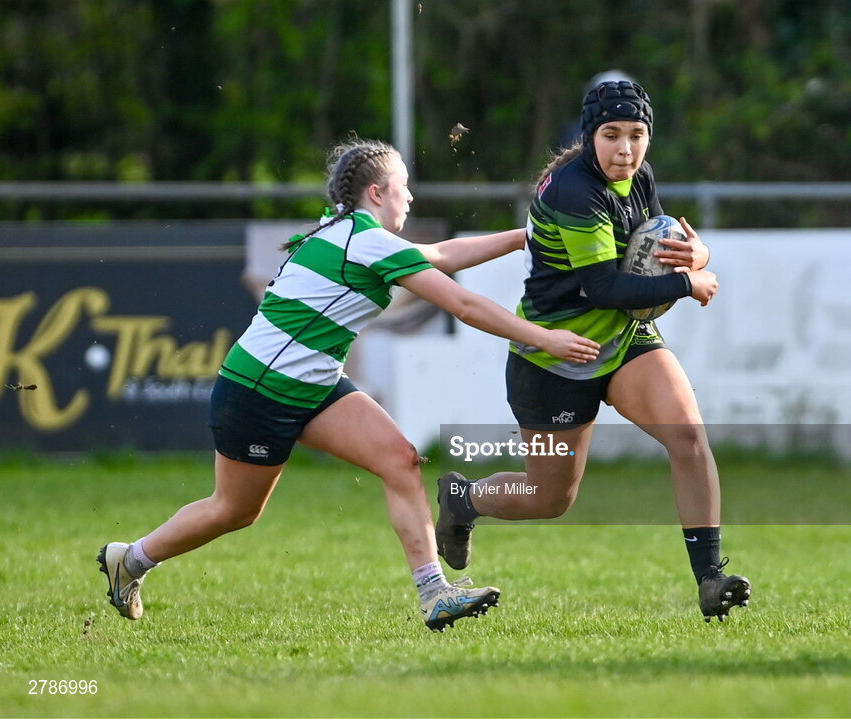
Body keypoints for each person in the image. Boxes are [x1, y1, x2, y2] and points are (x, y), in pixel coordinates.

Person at [97, 138, 601, 633]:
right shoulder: (364, 241)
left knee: (401, 460)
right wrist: (543, 338)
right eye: (404, 186)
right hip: (259, 390)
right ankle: (132, 560)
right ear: (377, 194)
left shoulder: (352, 233)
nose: (411, 197)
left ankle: (435, 594)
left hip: (313, 386)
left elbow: (442, 253)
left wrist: (525, 235)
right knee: (234, 510)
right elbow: (463, 304)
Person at [434, 81, 752, 622]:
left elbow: (657, 244)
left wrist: (697, 253)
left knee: (689, 435)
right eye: (612, 136)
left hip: (625, 340)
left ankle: (709, 578)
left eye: (637, 135)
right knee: (549, 498)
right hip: (556, 356)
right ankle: (464, 500)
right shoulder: (574, 192)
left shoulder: (638, 175)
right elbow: (607, 287)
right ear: (589, 136)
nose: (625, 150)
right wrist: (686, 285)